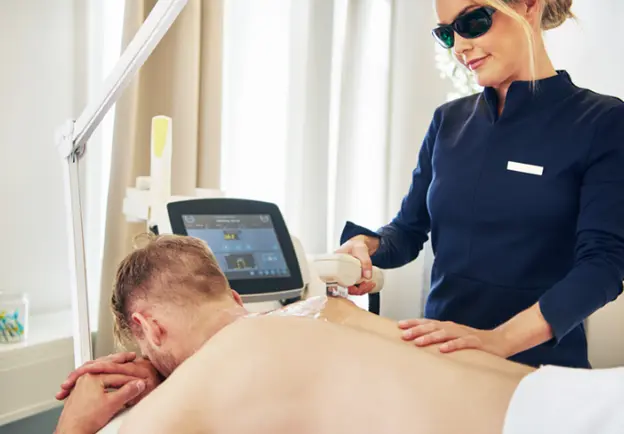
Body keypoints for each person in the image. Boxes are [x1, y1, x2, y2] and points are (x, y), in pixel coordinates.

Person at [54, 235, 623, 434]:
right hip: (574, 396)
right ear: (231, 295)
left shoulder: (207, 376)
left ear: (148, 326)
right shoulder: (321, 311)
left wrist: (74, 423)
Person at [337, 0, 624, 369]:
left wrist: (498, 340)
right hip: (441, 356)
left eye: (473, 22)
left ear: (528, 7)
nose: (458, 46)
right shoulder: (448, 121)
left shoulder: (602, 122)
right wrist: (365, 244)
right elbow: (407, 232)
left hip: (536, 372)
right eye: (446, 33)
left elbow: (604, 265)